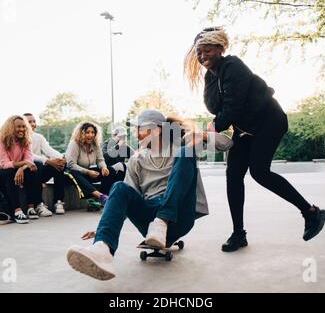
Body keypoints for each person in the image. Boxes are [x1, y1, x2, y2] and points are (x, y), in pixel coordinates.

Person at [183, 26, 325, 252]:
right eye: (199, 53)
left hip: (269, 120)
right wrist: (211, 79)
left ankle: (311, 213)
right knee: (233, 175)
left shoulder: (234, 66)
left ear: (220, 48)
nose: (202, 57)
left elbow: (232, 108)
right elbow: (213, 106)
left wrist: (212, 127)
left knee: (259, 171)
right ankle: (239, 234)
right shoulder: (213, 75)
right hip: (245, 128)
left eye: (207, 51)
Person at [66, 110, 231, 280]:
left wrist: (201, 135)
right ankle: (102, 250)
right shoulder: (136, 160)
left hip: (179, 216)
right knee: (119, 187)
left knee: (185, 153)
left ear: (156, 130)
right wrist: (104, 227)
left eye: (140, 129)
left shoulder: (182, 147)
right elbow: (123, 199)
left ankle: (163, 220)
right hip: (149, 222)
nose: (136, 135)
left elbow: (227, 144)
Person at [0, 115, 40, 224]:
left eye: (24, 126)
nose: (22, 129)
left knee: (33, 169)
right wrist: (23, 164)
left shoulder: (26, 140)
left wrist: (22, 168)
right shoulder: (0, 140)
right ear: (10, 128)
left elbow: (29, 160)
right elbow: (5, 164)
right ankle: (17, 211)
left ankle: (30, 207)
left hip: (13, 170)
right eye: (18, 127)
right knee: (10, 173)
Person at [64, 121, 120, 208]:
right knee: (73, 172)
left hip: (86, 174)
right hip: (70, 175)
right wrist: (88, 172)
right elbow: (71, 165)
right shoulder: (74, 144)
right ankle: (100, 196)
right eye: (87, 132)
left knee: (110, 170)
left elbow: (100, 160)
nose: (91, 135)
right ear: (81, 133)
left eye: (93, 132)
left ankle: (106, 198)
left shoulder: (95, 145)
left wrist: (104, 168)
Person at [23, 113, 66, 215]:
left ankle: (58, 201)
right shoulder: (20, 138)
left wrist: (61, 157)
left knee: (59, 165)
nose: (33, 124)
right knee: (38, 164)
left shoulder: (38, 137)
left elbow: (49, 150)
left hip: (39, 172)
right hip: (26, 173)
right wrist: (47, 160)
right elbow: (29, 156)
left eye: (34, 121)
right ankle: (39, 204)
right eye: (30, 122)